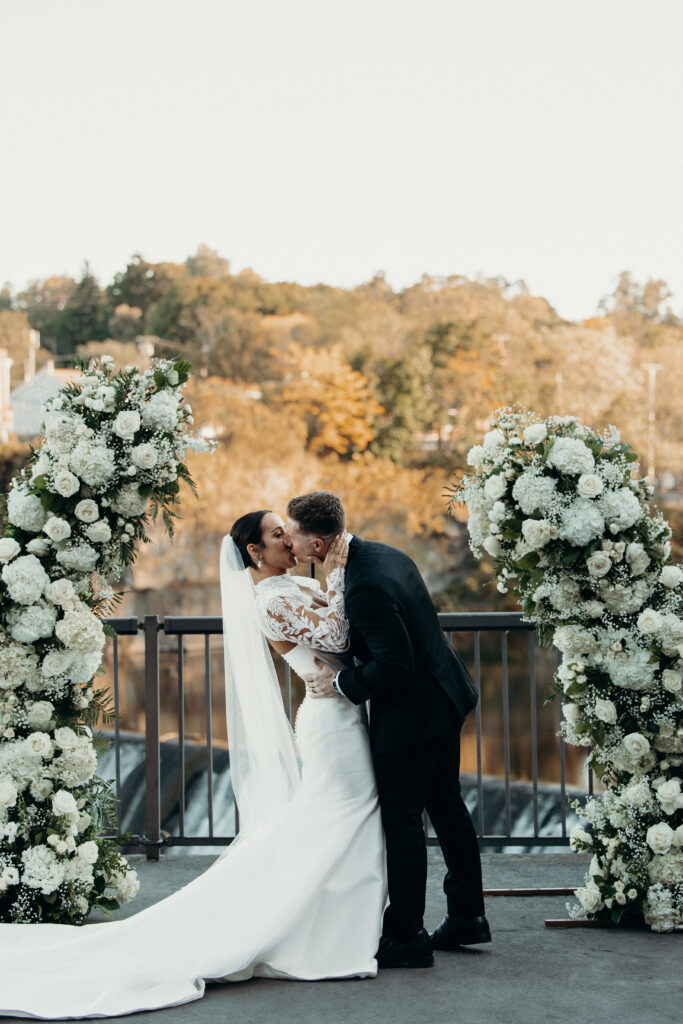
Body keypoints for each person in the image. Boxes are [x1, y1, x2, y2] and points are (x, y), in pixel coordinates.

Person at [0, 511, 386, 1018]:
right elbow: (336, 639)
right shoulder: (271, 601)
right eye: (276, 535)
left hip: (342, 711)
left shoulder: (295, 586)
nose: (288, 540)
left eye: (286, 532)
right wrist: (336, 575)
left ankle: (340, 925)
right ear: (254, 553)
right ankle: (323, 935)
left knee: (343, 818)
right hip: (330, 723)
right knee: (344, 814)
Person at [286, 491, 490, 969]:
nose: (291, 544)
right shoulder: (382, 554)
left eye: (294, 535)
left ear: (317, 544)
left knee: (402, 820)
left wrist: (338, 681)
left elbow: (396, 664)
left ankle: (406, 935)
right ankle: (467, 917)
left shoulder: (364, 587)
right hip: (445, 695)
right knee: (446, 805)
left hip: (413, 716)